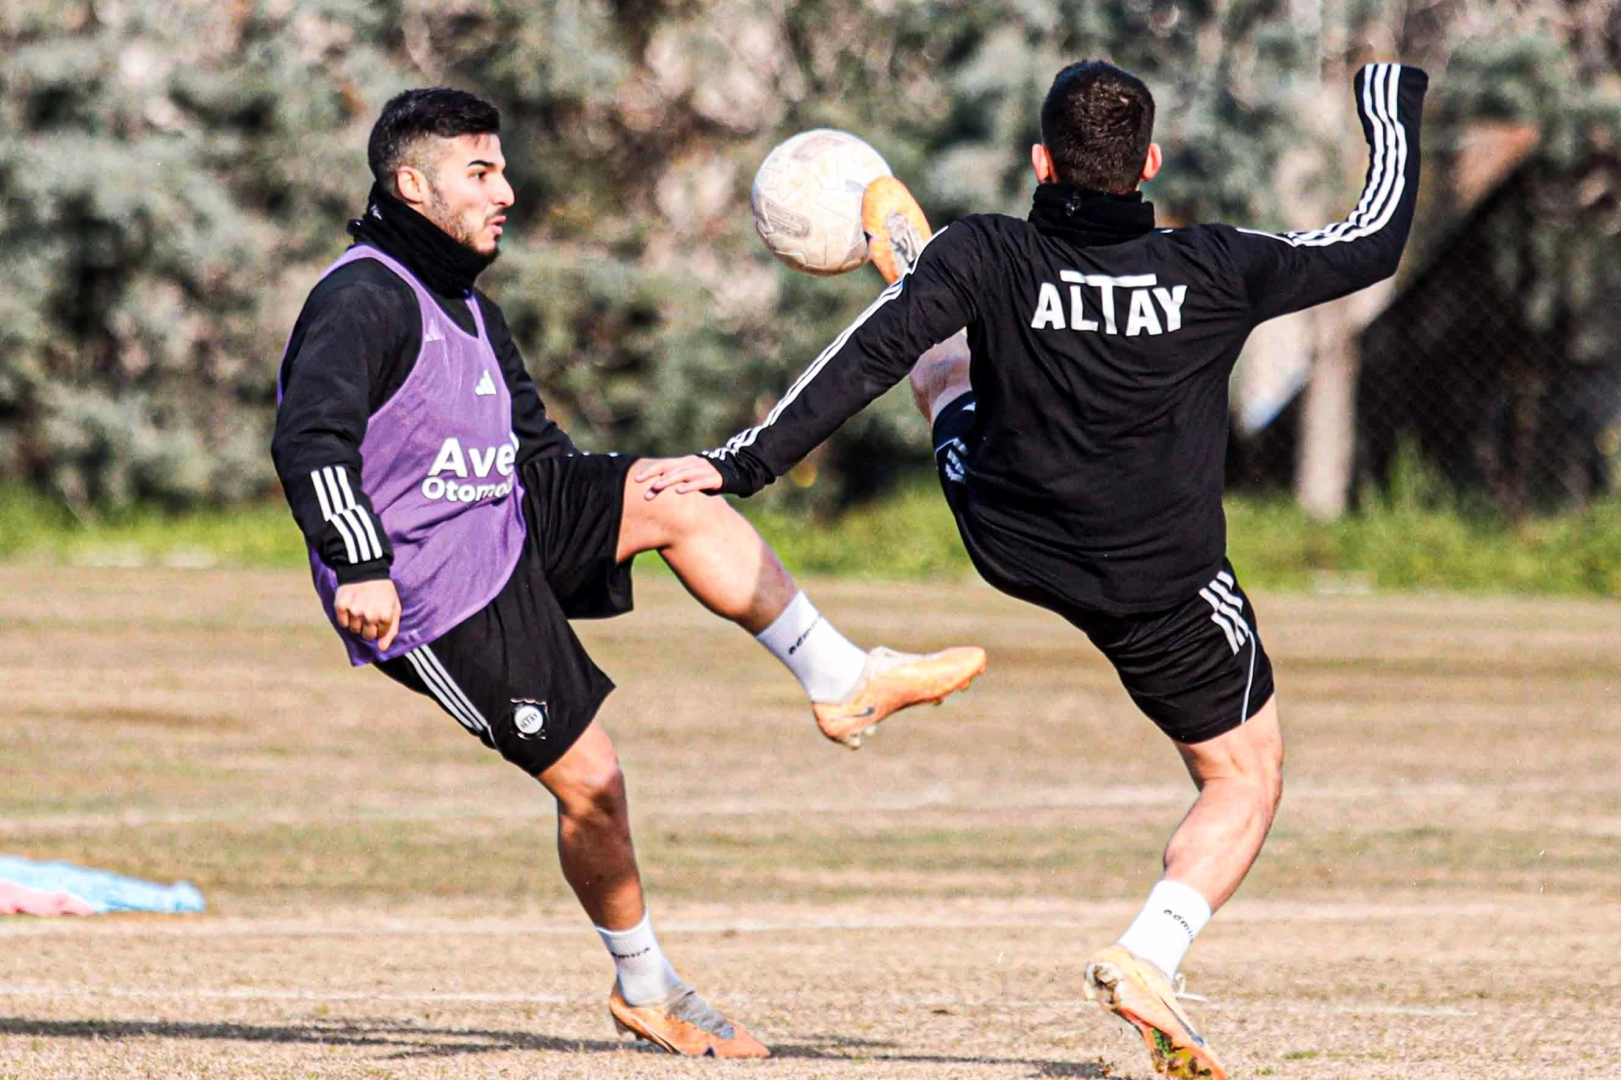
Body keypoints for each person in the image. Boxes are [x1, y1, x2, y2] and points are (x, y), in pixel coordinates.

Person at [638, 61, 1427, 1079]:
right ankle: (1148, 955)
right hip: (1158, 579)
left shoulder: (991, 252)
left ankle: (908, 265)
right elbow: (1372, 238)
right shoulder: (1214, 269)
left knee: (939, 353)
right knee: (1244, 777)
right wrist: (1389, 102)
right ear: (1147, 164)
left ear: (1040, 162)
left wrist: (735, 463)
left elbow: (862, 359)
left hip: (1009, 532)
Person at [270, 87, 987, 1059]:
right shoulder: (363, 297)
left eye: (503, 168)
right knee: (593, 785)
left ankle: (842, 679)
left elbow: (536, 448)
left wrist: (619, 501)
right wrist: (360, 565)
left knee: (678, 490)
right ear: (412, 183)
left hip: (509, 519)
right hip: (432, 587)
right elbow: (310, 438)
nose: (507, 190)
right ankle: (647, 986)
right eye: (481, 172)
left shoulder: (465, 301)